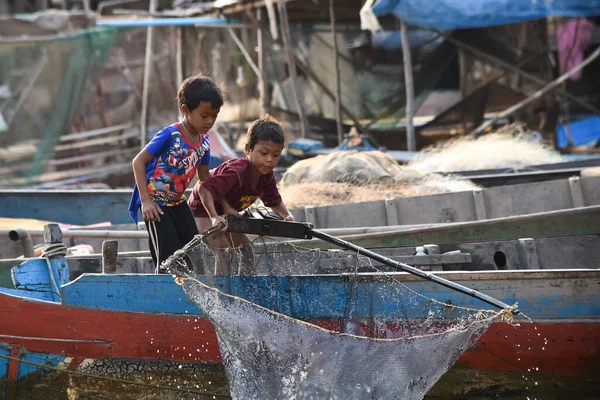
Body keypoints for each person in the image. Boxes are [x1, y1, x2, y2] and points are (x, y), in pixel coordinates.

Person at [128, 74, 223, 271]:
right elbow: (138, 162)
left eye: (214, 115)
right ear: (185, 110)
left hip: (179, 202)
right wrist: (145, 201)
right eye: (204, 116)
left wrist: (216, 213)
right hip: (156, 205)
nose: (210, 121)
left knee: (193, 250)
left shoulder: (204, 143)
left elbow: (205, 179)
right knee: (167, 259)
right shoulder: (170, 135)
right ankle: (165, 294)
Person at [188, 114, 294, 275]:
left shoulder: (266, 175)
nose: (269, 160)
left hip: (226, 214)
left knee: (247, 252)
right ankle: (221, 297)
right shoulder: (237, 172)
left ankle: (245, 292)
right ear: (248, 150)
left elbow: (274, 202)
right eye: (264, 153)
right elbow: (204, 188)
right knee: (224, 253)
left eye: (276, 155)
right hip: (202, 209)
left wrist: (287, 215)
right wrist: (214, 216)